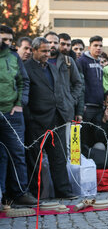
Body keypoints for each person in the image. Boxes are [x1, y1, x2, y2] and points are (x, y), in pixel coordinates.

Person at [24, 37, 75, 199]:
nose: (48, 54)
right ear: (34, 51)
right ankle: (35, 194)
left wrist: (68, 106)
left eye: (49, 51)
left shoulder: (53, 68)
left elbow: (61, 90)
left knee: (59, 158)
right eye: (44, 51)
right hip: (37, 121)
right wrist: (30, 118)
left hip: (57, 118)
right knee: (34, 160)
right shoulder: (26, 68)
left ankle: (64, 191)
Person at [0, 34, 37, 205]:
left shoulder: (13, 57)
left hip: (12, 114)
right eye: (3, 38)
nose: (5, 42)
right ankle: (2, 195)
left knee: (17, 154)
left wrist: (20, 103)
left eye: (8, 39)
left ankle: (20, 192)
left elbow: (24, 81)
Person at [44, 31, 82, 122]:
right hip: (45, 112)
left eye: (55, 42)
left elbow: (78, 83)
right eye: (49, 42)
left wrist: (71, 100)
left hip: (65, 111)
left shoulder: (68, 61)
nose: (52, 45)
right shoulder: (38, 61)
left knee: (64, 136)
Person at [77, 35, 104, 122]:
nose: (98, 48)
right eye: (95, 45)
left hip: (99, 106)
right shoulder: (82, 61)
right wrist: (81, 106)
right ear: (89, 47)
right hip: (87, 106)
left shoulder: (100, 62)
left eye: (100, 46)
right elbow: (79, 84)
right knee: (85, 134)